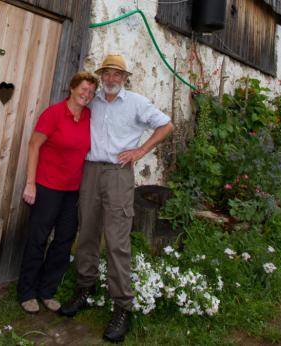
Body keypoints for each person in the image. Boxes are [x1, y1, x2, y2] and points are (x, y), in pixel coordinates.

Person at [60, 54, 174, 342]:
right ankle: (84, 290)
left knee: (117, 240)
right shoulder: (93, 100)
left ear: (125, 78)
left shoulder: (136, 103)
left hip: (118, 174)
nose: (111, 79)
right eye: (107, 74)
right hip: (90, 172)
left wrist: (139, 151)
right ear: (102, 76)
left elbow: (167, 126)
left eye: (117, 74)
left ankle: (122, 306)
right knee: (86, 233)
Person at [17, 71, 99, 314]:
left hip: (73, 191)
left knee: (63, 241)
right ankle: (27, 292)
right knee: (38, 239)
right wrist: (30, 183)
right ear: (72, 88)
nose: (87, 95)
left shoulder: (88, 117)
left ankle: (47, 290)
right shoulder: (53, 113)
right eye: (84, 89)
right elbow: (34, 145)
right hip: (47, 187)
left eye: (91, 92)